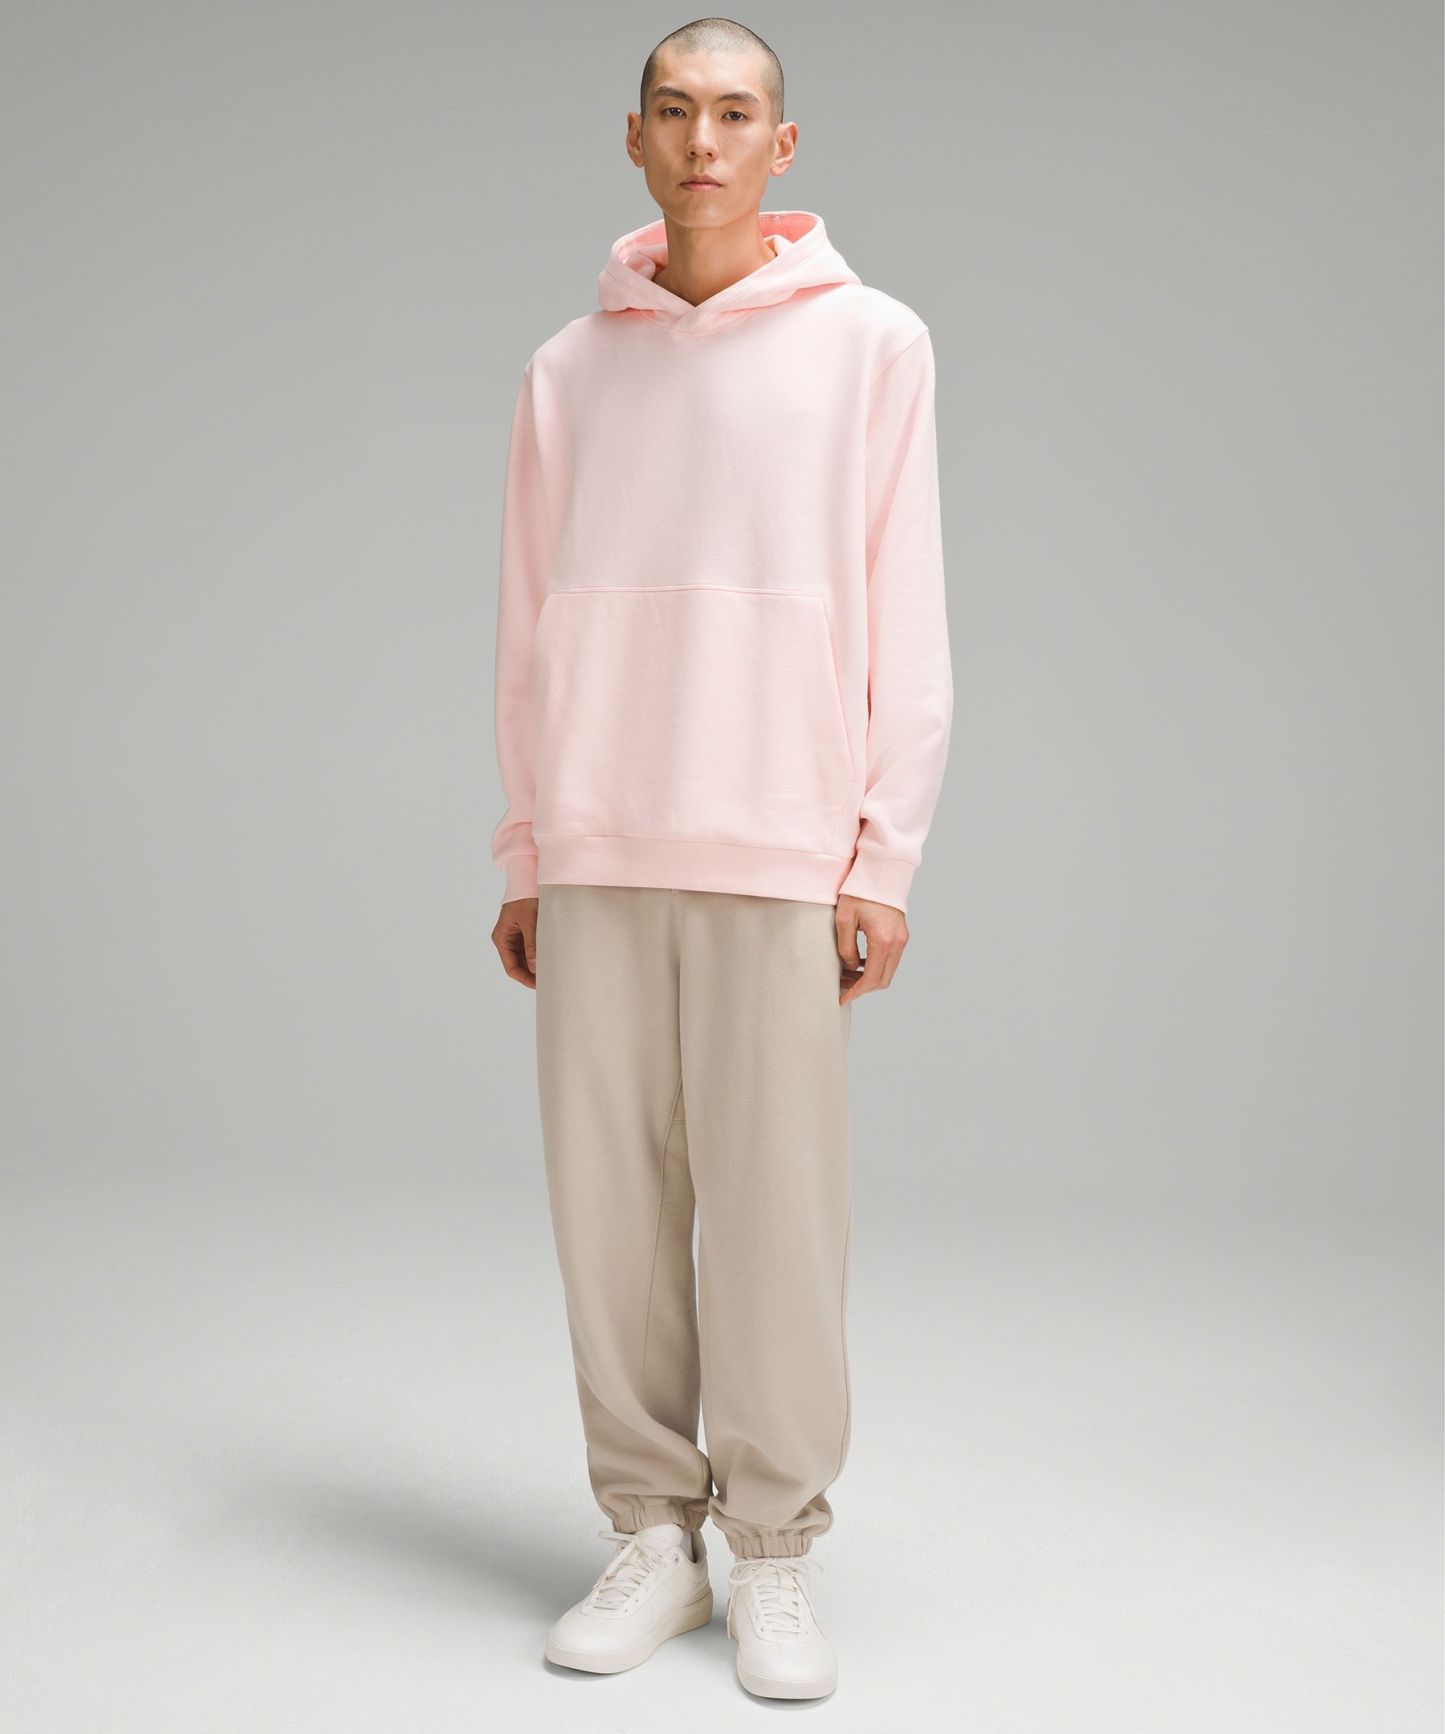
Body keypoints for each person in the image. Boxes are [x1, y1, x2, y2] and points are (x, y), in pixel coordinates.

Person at [488, 16, 952, 1703]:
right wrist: (529, 837)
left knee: (772, 1214)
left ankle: (770, 1551)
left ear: (782, 144)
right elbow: (529, 620)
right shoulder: (566, 369)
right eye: (674, 111)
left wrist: (880, 851)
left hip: (778, 838)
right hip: (603, 834)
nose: (703, 141)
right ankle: (652, 1534)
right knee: (610, 1211)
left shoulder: (873, 344)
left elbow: (906, 605)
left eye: (734, 113)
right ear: (632, 138)